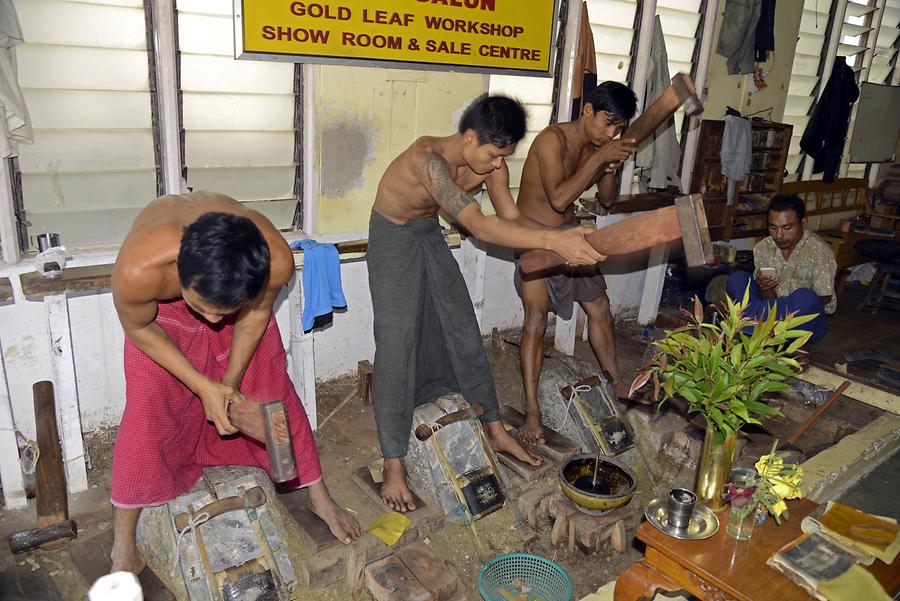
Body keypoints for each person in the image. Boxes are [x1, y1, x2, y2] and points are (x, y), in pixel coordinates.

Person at [368, 95, 604, 512]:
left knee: (461, 327)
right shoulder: (428, 159)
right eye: (494, 155)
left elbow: (510, 218)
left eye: (505, 157)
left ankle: (493, 427)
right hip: (392, 235)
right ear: (470, 136)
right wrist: (552, 240)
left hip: (425, 233)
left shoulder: (492, 162)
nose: (498, 166)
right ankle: (393, 463)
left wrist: (568, 234)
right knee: (396, 343)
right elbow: (476, 224)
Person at [109, 192, 360, 574]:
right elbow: (139, 326)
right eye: (203, 307)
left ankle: (317, 495)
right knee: (149, 410)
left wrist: (227, 385)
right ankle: (123, 543)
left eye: (220, 313)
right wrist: (200, 385)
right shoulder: (141, 269)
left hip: (234, 300)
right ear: (180, 274)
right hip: (162, 316)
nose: (211, 321)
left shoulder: (274, 261)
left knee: (270, 392)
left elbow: (255, 314)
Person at [514, 81, 638, 444]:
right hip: (535, 238)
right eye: (607, 122)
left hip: (570, 235)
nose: (612, 132)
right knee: (536, 320)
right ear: (587, 110)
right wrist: (601, 158)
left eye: (619, 127)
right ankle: (533, 411)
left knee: (600, 306)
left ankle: (614, 381)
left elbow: (608, 200)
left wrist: (610, 166)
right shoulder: (553, 141)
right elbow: (559, 197)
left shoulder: (599, 146)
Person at [725, 194, 837, 343]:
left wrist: (789, 304)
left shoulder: (820, 250)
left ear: (803, 222)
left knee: (805, 297)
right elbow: (768, 299)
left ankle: (748, 323)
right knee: (737, 278)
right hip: (769, 311)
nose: (779, 235)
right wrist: (765, 287)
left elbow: (824, 298)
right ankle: (758, 325)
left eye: (787, 227)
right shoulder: (763, 248)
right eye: (773, 227)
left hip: (805, 322)